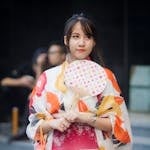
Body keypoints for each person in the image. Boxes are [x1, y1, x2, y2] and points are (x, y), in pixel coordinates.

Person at [26, 13, 132, 150]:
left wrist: (84, 118)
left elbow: (119, 124)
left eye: (88, 37)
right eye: (76, 37)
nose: (82, 43)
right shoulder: (48, 78)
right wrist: (53, 123)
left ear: (94, 42)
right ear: (66, 40)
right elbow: (34, 124)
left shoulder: (105, 77)